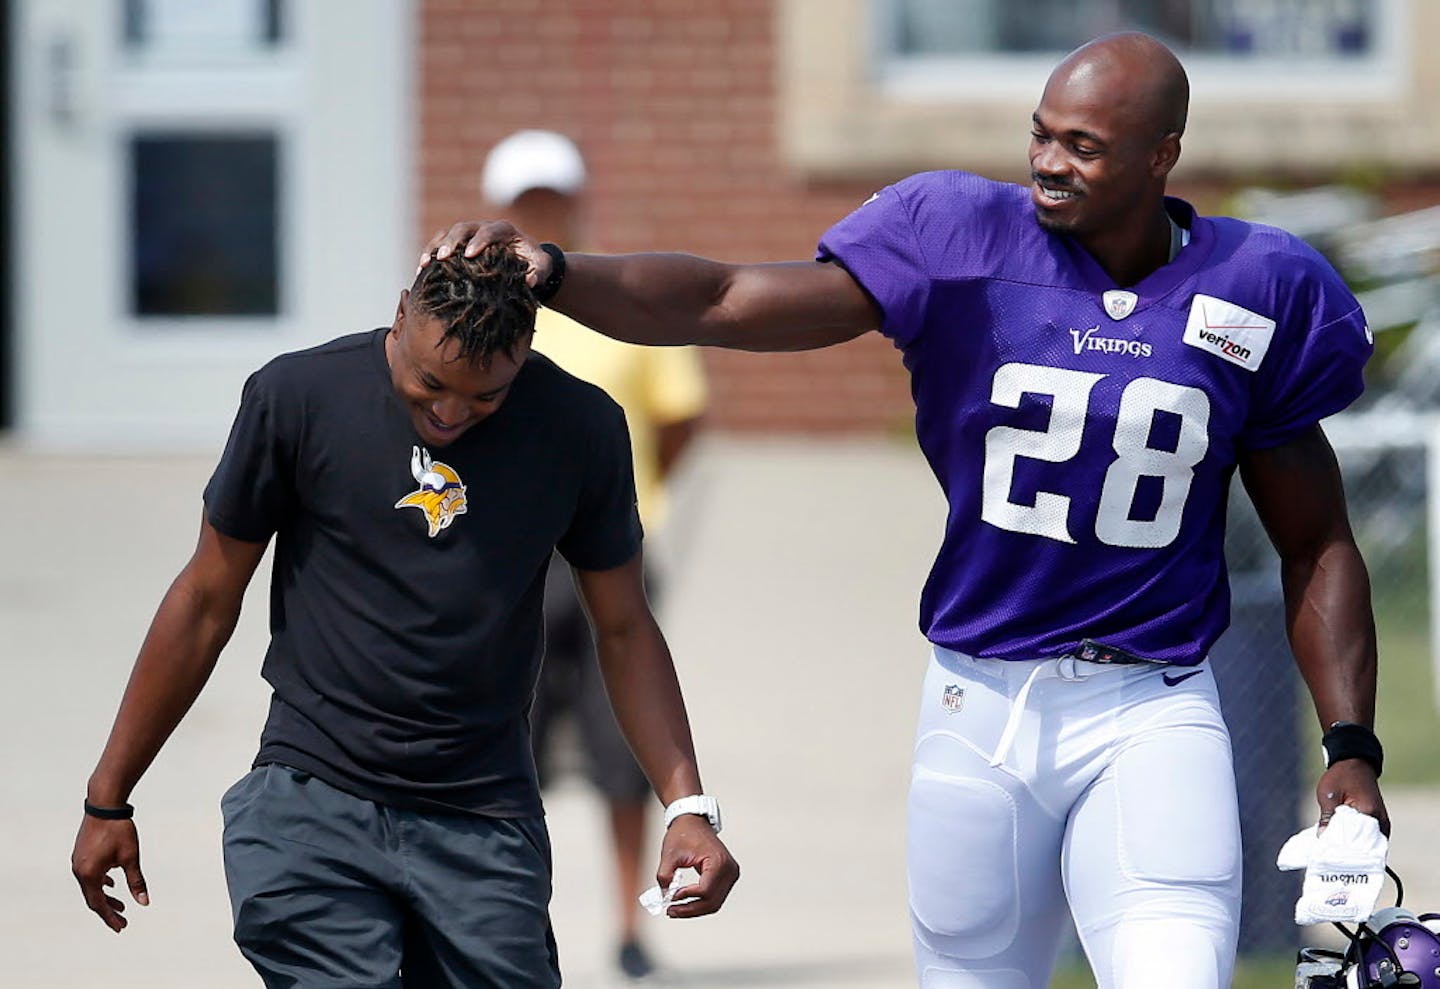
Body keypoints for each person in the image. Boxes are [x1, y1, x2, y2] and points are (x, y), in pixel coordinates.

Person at [426, 32, 1388, 989]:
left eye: (1083, 145)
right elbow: (722, 298)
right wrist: (556, 272)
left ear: (1161, 156)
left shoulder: (1257, 287)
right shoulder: (962, 237)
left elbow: (1316, 538)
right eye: (1041, 134)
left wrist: (1350, 743)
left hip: (1153, 703)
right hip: (981, 701)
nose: (1049, 161)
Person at [69, 244, 738, 988]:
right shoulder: (297, 397)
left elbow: (625, 626)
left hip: (483, 819)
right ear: (399, 315)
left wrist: (688, 804)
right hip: (311, 802)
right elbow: (203, 600)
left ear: (526, 351)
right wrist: (109, 796)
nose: (450, 413)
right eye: (429, 384)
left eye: (485, 397)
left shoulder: (580, 427)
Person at [481, 129, 710, 982]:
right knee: (513, 746)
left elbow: (679, 419)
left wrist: (625, 496)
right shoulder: (482, 303)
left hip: (610, 552)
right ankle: (508, 917)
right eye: (525, 200)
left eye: (553, 199)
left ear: (573, 205)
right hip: (510, 559)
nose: (540, 213)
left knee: (624, 751)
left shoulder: (617, 302)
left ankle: (628, 925)